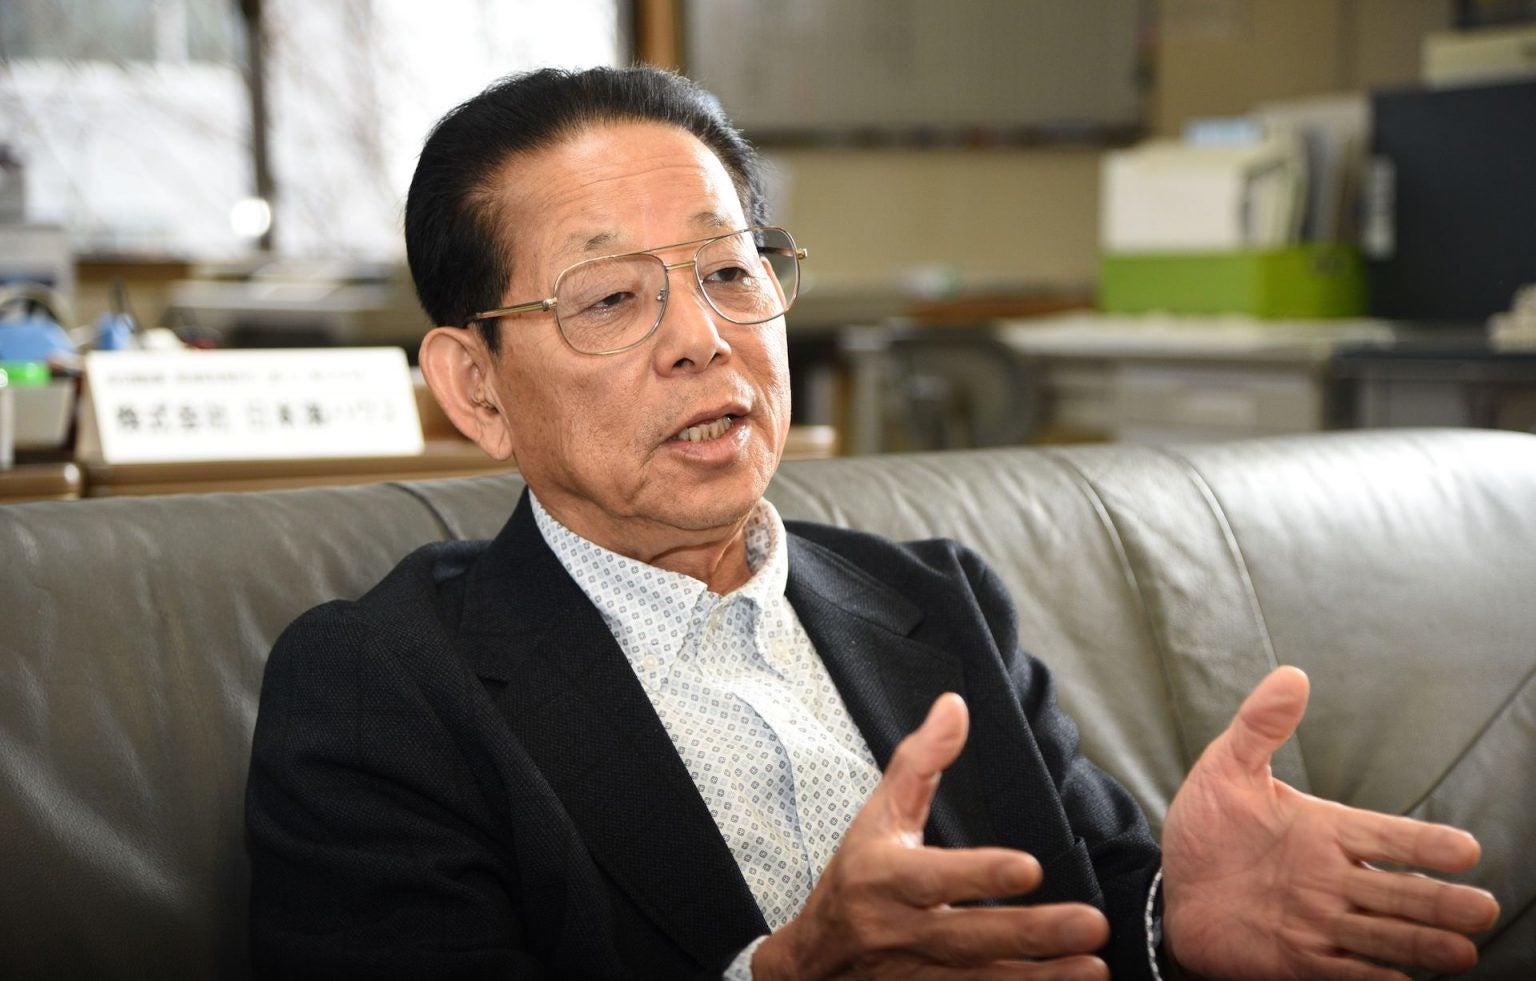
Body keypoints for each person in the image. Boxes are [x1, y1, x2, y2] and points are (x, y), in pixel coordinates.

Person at [245, 66, 1499, 980]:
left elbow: (1100, 912)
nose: (703, 339)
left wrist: (1182, 929)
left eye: (728, 272)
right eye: (612, 297)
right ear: (475, 389)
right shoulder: (380, 688)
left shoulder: (935, 601)